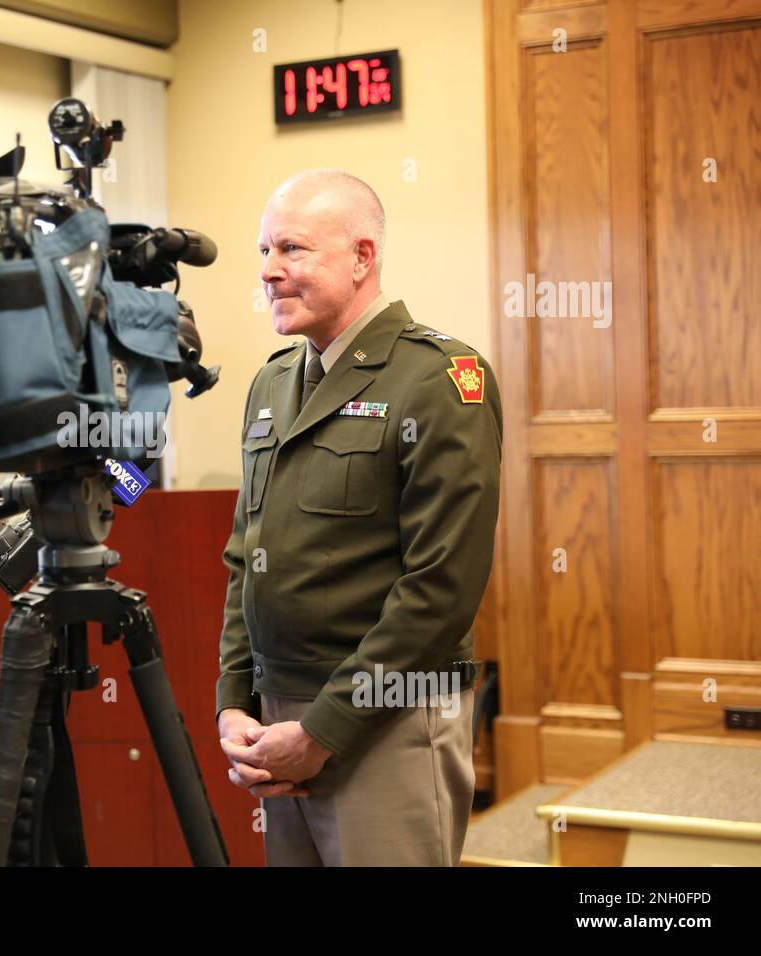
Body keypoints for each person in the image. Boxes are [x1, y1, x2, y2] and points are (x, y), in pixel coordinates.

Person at [215, 168, 502, 866]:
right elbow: (244, 557)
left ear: (362, 258)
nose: (270, 272)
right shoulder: (272, 382)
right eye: (263, 252)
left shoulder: (439, 378)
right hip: (277, 719)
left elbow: (440, 591)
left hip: (386, 717)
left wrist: (322, 731)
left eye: (293, 250)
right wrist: (235, 700)